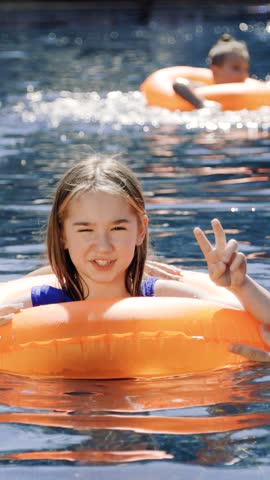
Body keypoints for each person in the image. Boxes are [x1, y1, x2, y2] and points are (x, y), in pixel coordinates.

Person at [0, 156, 270, 363]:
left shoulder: (161, 295)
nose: (103, 246)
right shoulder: (33, 304)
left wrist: (239, 285)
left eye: (118, 228)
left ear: (140, 231)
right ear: (62, 235)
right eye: (85, 230)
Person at [173, 33, 251, 109]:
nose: (243, 74)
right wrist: (201, 103)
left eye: (246, 69)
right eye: (236, 68)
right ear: (215, 70)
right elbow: (179, 83)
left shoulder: (251, 92)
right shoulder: (204, 87)